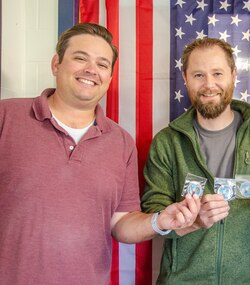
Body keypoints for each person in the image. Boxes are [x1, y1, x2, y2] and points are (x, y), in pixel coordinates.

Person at [0, 23, 201, 285]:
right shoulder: (7, 117)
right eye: (80, 58)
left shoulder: (121, 142)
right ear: (55, 64)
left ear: (109, 78)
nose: (91, 70)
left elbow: (120, 223)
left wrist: (159, 221)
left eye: (102, 64)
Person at [141, 38, 250, 284]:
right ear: (185, 78)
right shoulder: (167, 141)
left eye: (217, 73)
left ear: (232, 74)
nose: (209, 85)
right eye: (198, 75)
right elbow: (154, 214)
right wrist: (193, 222)